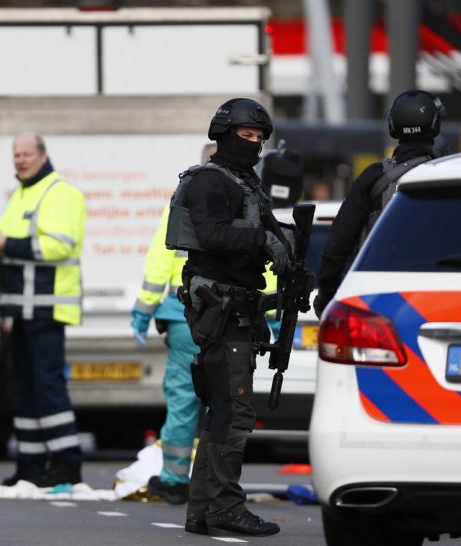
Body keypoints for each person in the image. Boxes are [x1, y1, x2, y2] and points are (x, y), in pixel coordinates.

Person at [169, 98, 290, 537]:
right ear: (222, 134)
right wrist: (264, 241)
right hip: (220, 308)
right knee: (234, 413)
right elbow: (213, 234)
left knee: (220, 411)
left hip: (236, 304)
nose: (254, 145)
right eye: (247, 136)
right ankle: (224, 509)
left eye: (260, 138)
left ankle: (203, 511)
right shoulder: (210, 181)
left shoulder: (244, 182)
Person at [0, 132, 86, 487]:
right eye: (16, 154)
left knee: (48, 388)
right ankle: (30, 466)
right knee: (24, 389)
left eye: (27, 154)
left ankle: (66, 465)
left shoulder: (61, 192)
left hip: (46, 308)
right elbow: (11, 244)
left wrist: (6, 244)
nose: (21, 160)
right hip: (20, 310)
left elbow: (60, 246)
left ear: (43, 156)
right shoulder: (20, 194)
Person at [313, 89, 447, 318]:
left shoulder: (373, 178)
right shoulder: (449, 175)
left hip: (376, 294)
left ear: (393, 126)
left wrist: (326, 294)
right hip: (434, 296)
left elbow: (338, 245)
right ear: (435, 125)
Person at [132, 142, 216, 505]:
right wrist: (272, 317)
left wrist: (144, 308)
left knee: (184, 400)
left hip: (184, 315)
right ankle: (215, 484)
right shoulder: (252, 200)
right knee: (225, 404)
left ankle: (174, 480)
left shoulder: (184, 199)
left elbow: (160, 259)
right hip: (233, 319)